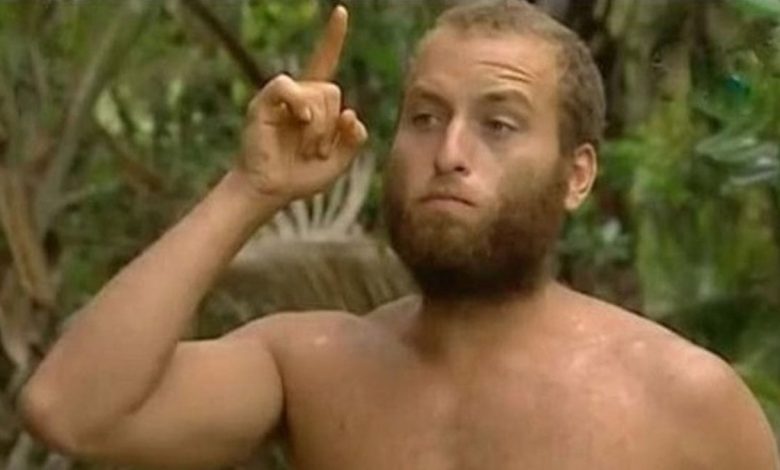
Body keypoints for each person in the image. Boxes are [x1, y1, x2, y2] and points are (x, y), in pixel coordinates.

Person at [18, 1, 779, 469]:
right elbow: (70, 410)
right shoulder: (311, 367)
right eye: (424, 116)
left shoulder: (685, 400)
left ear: (577, 175)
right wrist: (251, 188)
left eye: (499, 124)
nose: (449, 151)